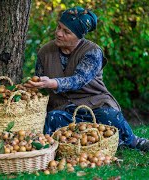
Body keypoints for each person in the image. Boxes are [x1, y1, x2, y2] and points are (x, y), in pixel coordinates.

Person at [24, 7, 148, 152]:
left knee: (110, 117)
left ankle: (133, 141)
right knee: (52, 118)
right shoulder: (45, 52)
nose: (58, 33)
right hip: (63, 109)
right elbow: (40, 87)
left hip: (95, 106)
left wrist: (52, 83)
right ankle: (69, 145)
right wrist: (33, 87)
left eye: (66, 32)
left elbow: (78, 80)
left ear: (79, 36)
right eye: (59, 27)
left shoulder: (92, 52)